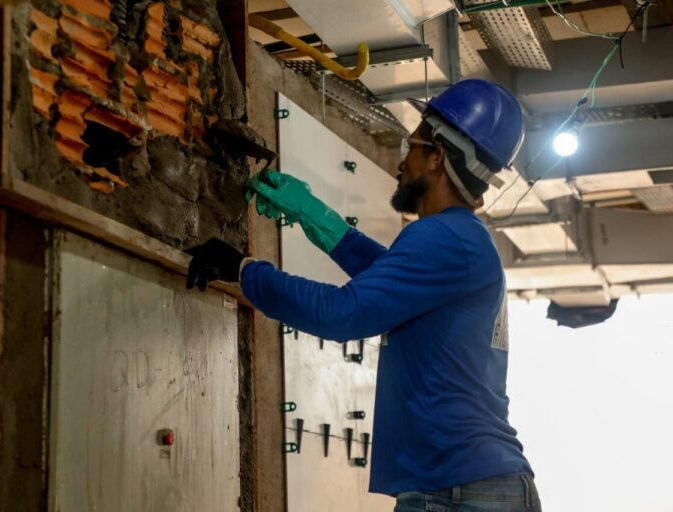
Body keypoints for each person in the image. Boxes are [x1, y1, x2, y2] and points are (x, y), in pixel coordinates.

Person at [185, 79, 541, 512]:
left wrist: (244, 270)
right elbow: (388, 277)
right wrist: (313, 215)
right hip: (459, 485)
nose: (401, 162)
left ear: (437, 156)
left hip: (461, 490)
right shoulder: (461, 240)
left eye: (411, 146)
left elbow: (343, 313)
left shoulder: (446, 237)